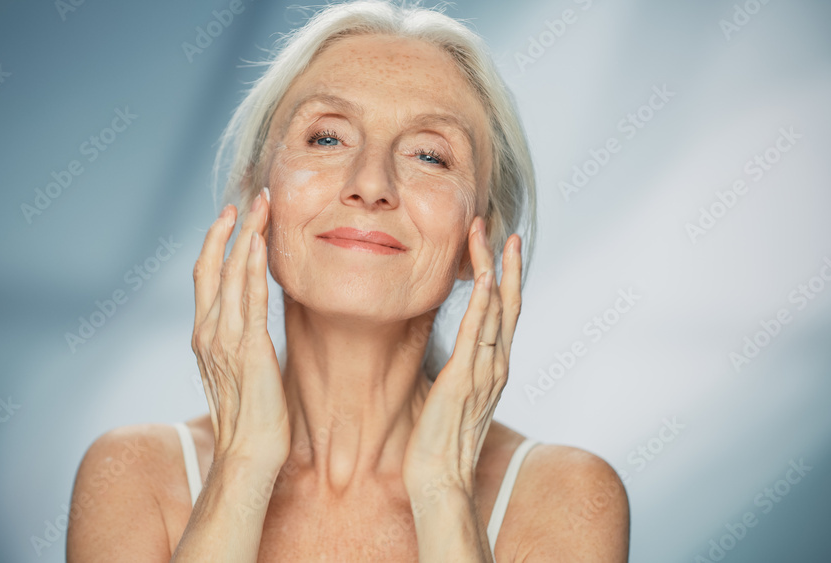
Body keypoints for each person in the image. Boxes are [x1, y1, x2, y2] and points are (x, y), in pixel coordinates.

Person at [66, 2, 629, 561]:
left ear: (476, 236)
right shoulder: (133, 474)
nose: (370, 182)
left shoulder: (567, 497)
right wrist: (243, 463)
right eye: (327, 139)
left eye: (431, 155)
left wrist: (444, 490)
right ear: (257, 191)